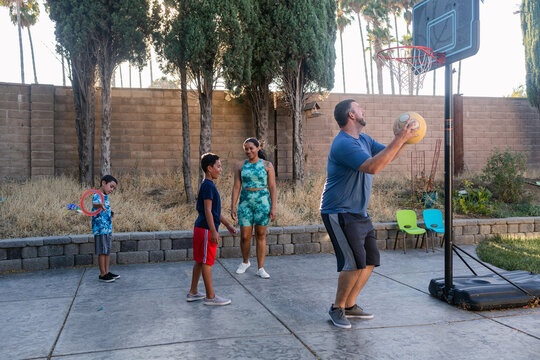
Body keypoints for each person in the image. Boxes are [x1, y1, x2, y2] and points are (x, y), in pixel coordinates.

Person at [320, 99, 418, 329]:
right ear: (351, 115)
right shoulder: (343, 144)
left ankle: (350, 305)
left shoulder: (363, 139)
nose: (364, 110)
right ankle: (337, 308)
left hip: (359, 212)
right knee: (353, 262)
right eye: (359, 108)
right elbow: (373, 166)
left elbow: (387, 155)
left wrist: (406, 138)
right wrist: (400, 138)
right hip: (338, 211)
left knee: (370, 260)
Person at [187, 153, 237, 305]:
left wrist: (227, 224)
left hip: (201, 228)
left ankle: (193, 292)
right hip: (206, 230)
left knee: (199, 261)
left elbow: (214, 212)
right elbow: (208, 211)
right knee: (207, 262)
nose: (221, 170)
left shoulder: (208, 185)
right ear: (209, 169)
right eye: (218, 166)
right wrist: (214, 232)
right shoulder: (208, 186)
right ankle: (211, 296)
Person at [231, 138, 276, 278]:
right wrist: (233, 205)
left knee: (261, 235)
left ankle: (261, 268)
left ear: (258, 148)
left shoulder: (267, 165)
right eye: (246, 149)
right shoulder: (240, 165)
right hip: (245, 203)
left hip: (262, 203)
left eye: (251, 148)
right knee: (245, 236)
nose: (248, 151)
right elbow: (236, 186)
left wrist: (273, 207)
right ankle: (245, 262)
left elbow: (273, 187)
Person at [92, 175, 119, 283]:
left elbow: (105, 208)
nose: (112, 190)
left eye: (113, 188)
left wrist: (110, 212)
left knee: (107, 250)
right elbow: (95, 205)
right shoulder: (97, 194)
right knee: (102, 251)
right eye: (111, 186)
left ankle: (107, 272)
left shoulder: (105, 195)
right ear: (103, 183)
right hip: (100, 228)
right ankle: (102, 274)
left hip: (107, 228)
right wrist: (100, 205)